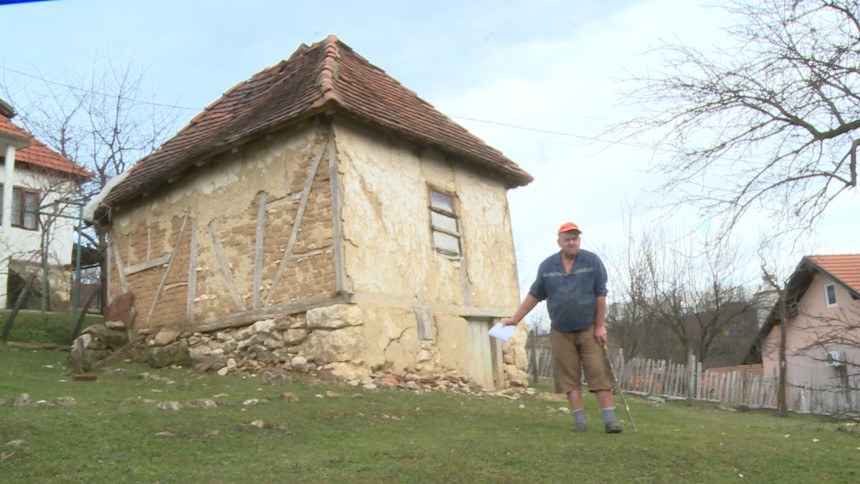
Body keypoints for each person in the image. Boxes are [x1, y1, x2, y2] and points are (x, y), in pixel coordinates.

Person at [504, 222, 622, 434]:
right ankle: (579, 422)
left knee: (599, 371)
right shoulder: (547, 266)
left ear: (579, 240)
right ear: (559, 242)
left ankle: (610, 421)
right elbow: (534, 295)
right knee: (568, 376)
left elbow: (600, 295)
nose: (571, 243)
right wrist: (515, 318)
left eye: (575, 239)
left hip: (589, 328)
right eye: (567, 239)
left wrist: (600, 326)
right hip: (560, 330)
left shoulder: (592, 262)